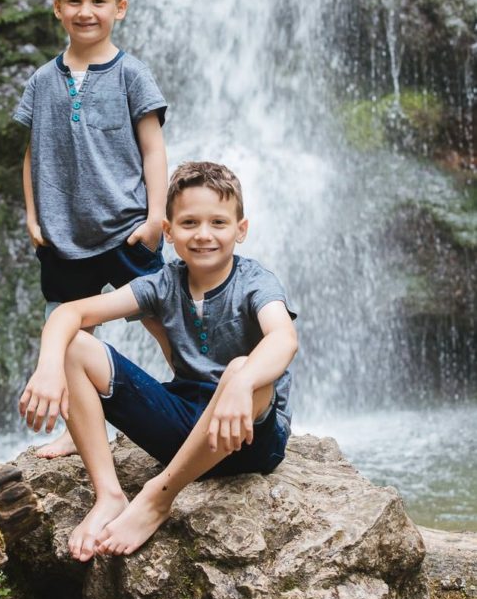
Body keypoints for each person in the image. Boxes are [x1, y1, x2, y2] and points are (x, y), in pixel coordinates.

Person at [19, 160, 298, 560]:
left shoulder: (256, 282)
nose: (203, 235)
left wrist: (239, 381)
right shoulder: (163, 282)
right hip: (186, 428)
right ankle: (110, 496)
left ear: (241, 230)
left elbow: (283, 338)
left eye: (218, 223)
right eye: (189, 223)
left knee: (245, 371)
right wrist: (48, 368)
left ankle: (157, 497)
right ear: (167, 231)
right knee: (74, 344)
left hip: (252, 440)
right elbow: (69, 313)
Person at [13, 0, 169, 458]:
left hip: (126, 224)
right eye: (74, 0)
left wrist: (156, 216)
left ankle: (196, 395)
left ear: (119, 8)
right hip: (64, 232)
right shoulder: (41, 80)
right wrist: (34, 216)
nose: (86, 11)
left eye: (99, 0)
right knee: (71, 326)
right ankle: (80, 431)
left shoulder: (132, 74)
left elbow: (153, 148)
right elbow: (32, 154)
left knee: (161, 314)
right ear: (57, 7)